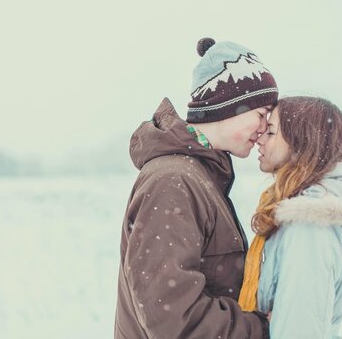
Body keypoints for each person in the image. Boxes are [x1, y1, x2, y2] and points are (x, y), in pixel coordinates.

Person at [115, 37, 278, 338]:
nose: (265, 127)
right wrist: (260, 329)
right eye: (261, 113)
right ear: (228, 107)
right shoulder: (173, 182)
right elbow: (172, 317)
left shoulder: (200, 176)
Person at [237, 96, 342, 338]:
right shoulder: (309, 209)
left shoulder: (307, 225)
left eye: (271, 132)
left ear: (301, 143)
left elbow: (299, 329)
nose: (259, 139)